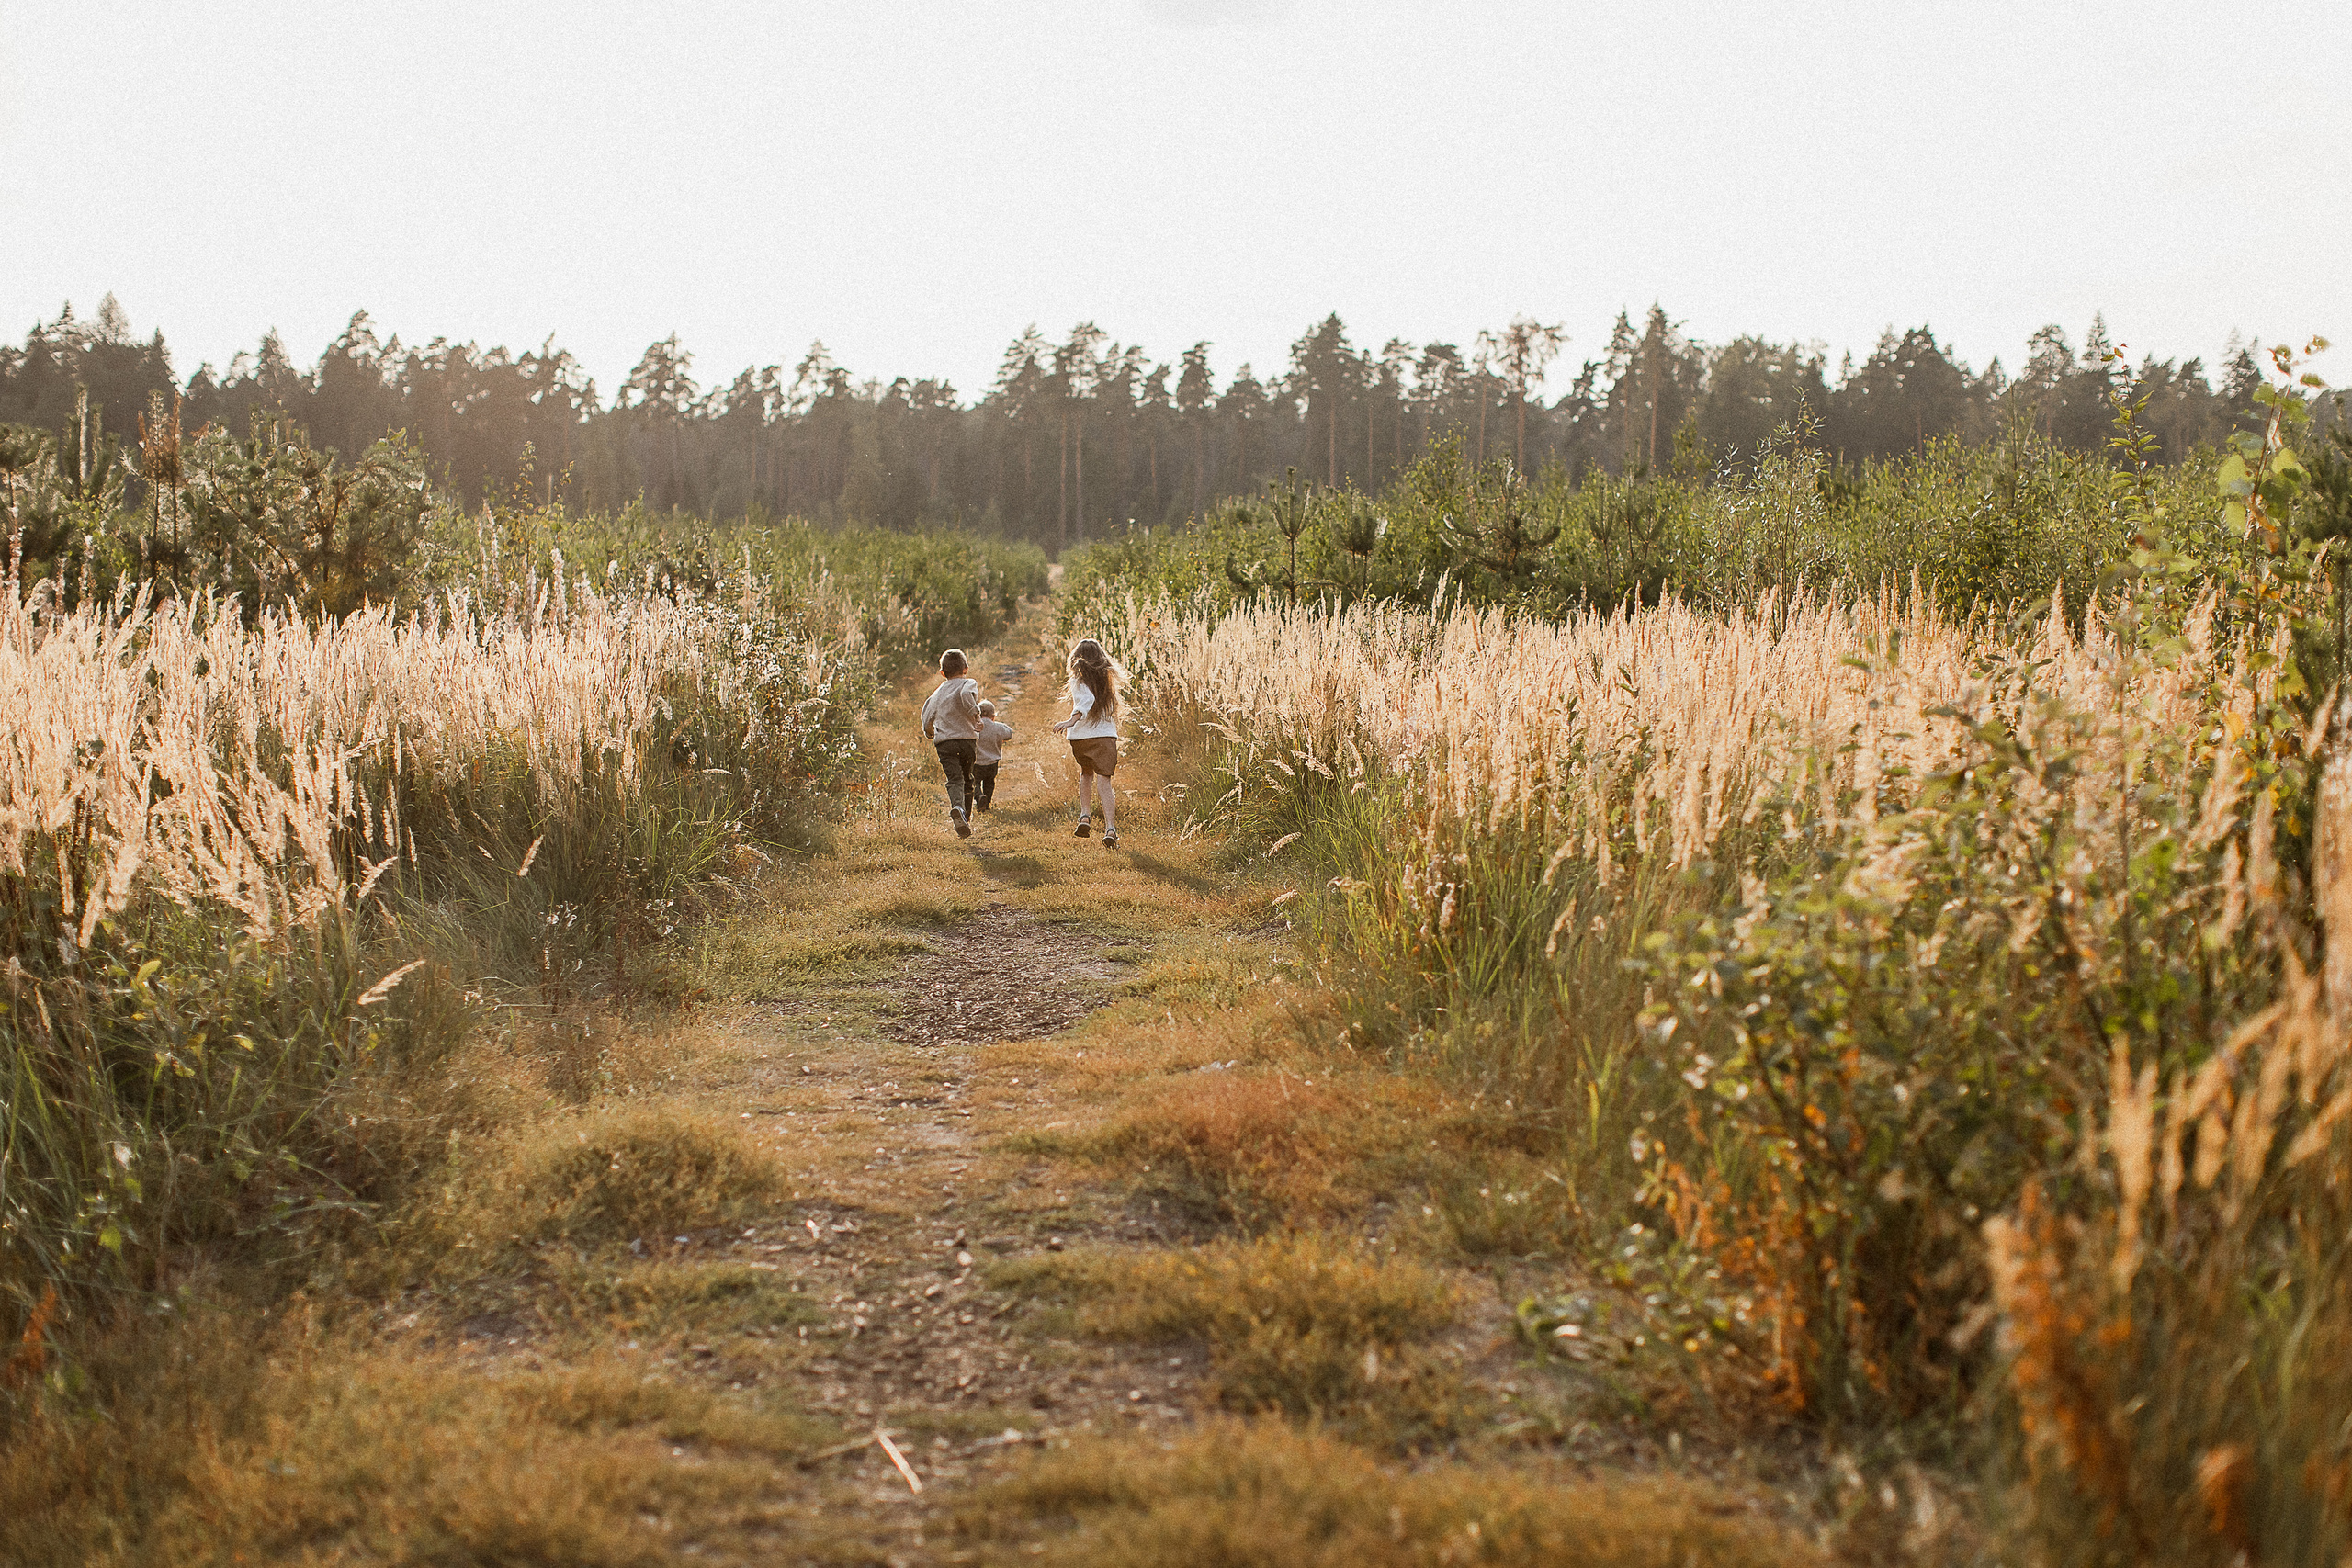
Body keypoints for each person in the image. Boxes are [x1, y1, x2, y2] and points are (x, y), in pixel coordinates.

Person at [1048, 637, 1125, 849]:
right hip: (1105, 737)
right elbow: (1092, 703)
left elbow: (1085, 701)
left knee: (1086, 774)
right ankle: (1110, 828)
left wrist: (1071, 720)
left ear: (1077, 658)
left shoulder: (1078, 680)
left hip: (1082, 737)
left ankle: (1085, 815)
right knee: (1105, 782)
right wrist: (1073, 718)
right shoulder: (1107, 680)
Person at [920, 649, 982, 838]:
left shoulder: (938, 692)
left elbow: (927, 713)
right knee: (968, 780)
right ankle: (966, 817)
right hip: (966, 740)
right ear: (966, 669)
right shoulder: (969, 682)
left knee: (955, 779)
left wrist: (928, 730)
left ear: (942, 673)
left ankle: (957, 807)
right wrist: (976, 715)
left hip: (945, 743)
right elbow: (965, 695)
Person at [973, 700, 1014, 812]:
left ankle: (979, 797)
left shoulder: (974, 726)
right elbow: (1009, 734)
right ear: (993, 716)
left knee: (974, 782)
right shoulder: (998, 727)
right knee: (989, 783)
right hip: (992, 763)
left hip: (976, 763)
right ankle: (987, 804)